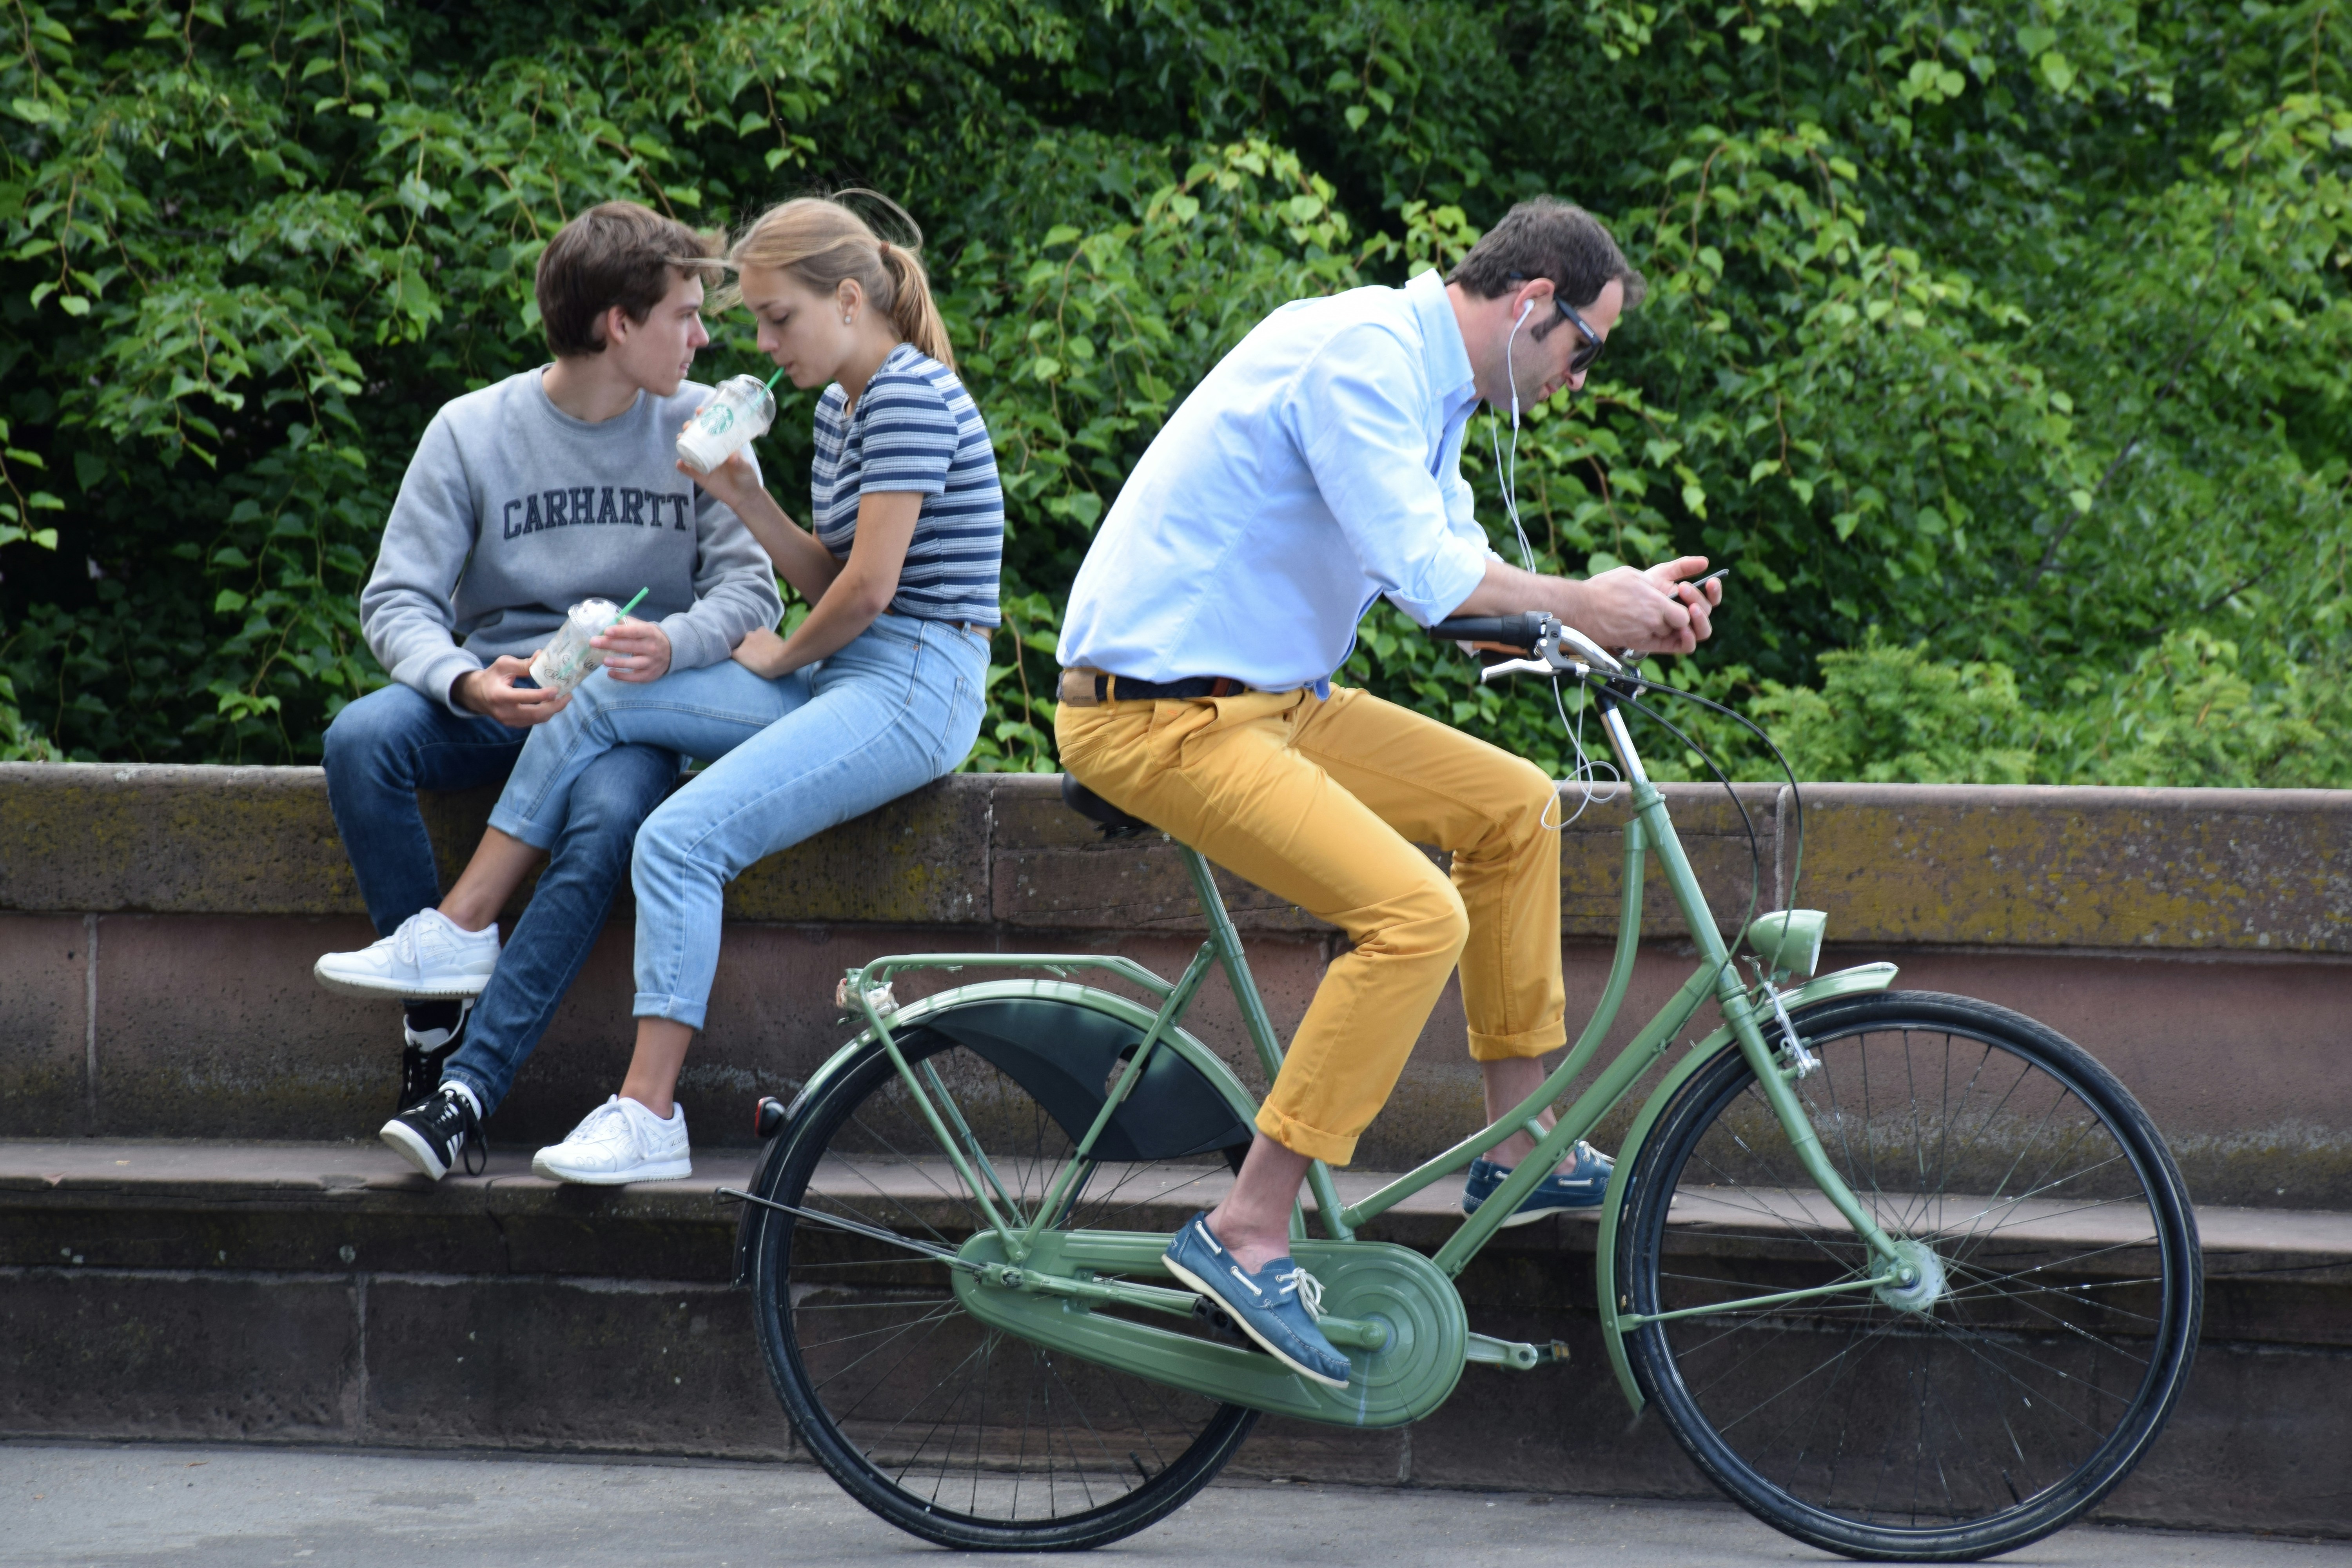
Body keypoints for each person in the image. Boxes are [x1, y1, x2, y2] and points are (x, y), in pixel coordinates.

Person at [1053, 198, 1721, 1387]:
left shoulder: (1435, 393)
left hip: (1263, 698)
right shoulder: (1362, 357)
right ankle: (1248, 1230)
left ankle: (1519, 1145)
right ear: (1533, 306)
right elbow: (1429, 578)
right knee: (1415, 916)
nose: (1580, 378)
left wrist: (1634, 621)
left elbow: (1479, 605)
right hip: (1159, 712)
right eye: (1587, 347)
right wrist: (1591, 597)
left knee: (1513, 805)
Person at [376, 192, 1000, 1185]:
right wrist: (744, 492)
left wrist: (783, 658)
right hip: (855, 668)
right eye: (750, 318)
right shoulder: (844, 406)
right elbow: (825, 575)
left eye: (775, 318)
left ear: (848, 299)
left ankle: (648, 1111)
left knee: (679, 835)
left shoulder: (910, 395)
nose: (755, 341)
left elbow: (872, 591)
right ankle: (458, 930)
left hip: (917, 685)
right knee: (602, 688)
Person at [314, 200, 782, 1130]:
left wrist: (673, 644)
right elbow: (395, 599)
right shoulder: (470, 429)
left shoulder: (704, 426)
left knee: (612, 813)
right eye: (685, 314)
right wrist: (468, 682)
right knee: (362, 737)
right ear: (620, 324)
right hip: (504, 702)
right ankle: (435, 1018)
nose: (700, 336)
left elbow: (753, 594)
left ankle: (467, 1085)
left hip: (630, 711)